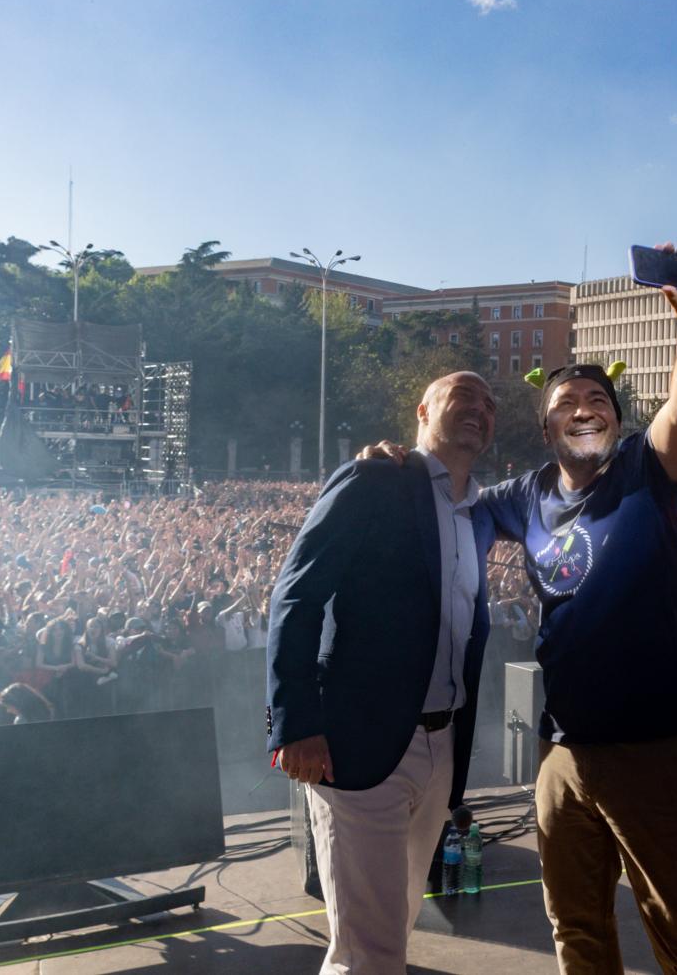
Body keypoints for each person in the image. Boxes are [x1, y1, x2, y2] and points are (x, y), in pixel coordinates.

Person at [481, 244, 677, 974]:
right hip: (563, 751)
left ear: (617, 421)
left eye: (598, 401)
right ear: (546, 429)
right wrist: (399, 463)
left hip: (657, 748)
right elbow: (449, 494)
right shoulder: (523, 496)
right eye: (566, 404)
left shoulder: (644, 470)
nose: (583, 409)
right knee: (576, 928)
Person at [267, 370, 497, 974]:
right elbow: (295, 597)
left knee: (390, 929)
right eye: (463, 397)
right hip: (362, 742)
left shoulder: (481, 512)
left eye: (489, 404)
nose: (479, 409)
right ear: (422, 411)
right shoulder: (374, 480)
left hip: (443, 745)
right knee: (370, 951)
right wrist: (294, 724)